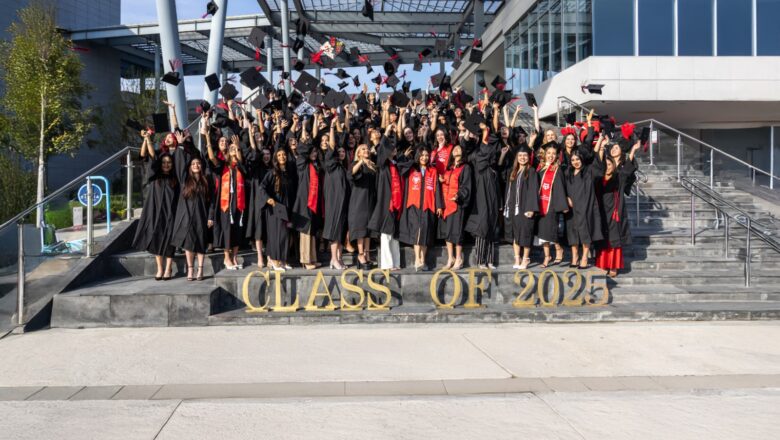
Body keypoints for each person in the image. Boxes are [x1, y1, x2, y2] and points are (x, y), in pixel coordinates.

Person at [132, 129, 178, 280]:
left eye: (169, 163)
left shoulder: (174, 179)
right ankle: (160, 269)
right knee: (157, 238)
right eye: (164, 163)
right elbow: (152, 156)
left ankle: (169, 268)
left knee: (170, 240)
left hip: (170, 213)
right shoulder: (155, 177)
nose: (166, 165)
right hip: (155, 211)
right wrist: (147, 139)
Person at [595, 137, 640, 277]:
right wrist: (602, 145)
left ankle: (613, 265)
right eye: (612, 147)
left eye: (617, 148)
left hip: (615, 208)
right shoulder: (601, 171)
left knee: (614, 237)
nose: (608, 166)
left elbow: (627, 170)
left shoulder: (620, 174)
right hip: (602, 208)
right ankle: (603, 263)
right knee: (603, 235)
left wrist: (632, 151)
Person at [368, 125, 411, 270]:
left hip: (397, 203)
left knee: (395, 235)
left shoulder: (397, 164)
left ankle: (396, 263)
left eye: (394, 148)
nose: (393, 150)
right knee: (386, 234)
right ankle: (387, 264)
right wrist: (385, 134)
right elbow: (381, 151)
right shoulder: (383, 164)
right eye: (390, 148)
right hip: (387, 202)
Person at [399, 146, 444, 272]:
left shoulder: (433, 171)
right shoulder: (412, 169)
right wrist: (408, 158)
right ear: (418, 156)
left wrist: (439, 205)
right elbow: (400, 167)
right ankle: (417, 259)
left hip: (428, 205)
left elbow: (436, 189)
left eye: (426, 155)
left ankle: (422, 259)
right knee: (416, 232)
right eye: (422, 155)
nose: (424, 157)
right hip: (414, 205)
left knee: (425, 233)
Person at [207, 131, 247, 270]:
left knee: (237, 229)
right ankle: (226, 258)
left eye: (234, 149)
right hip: (225, 204)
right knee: (227, 229)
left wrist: (238, 148)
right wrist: (207, 136)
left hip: (238, 202)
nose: (233, 151)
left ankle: (235, 257)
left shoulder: (241, 167)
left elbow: (242, 163)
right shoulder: (223, 166)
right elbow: (212, 157)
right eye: (231, 149)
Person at [170, 150, 213, 281]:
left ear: (201, 166)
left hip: (201, 216)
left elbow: (211, 201)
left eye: (198, 163)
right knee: (189, 245)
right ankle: (190, 269)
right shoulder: (185, 180)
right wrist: (181, 146)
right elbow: (179, 164)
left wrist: (210, 217)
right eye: (193, 163)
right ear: (189, 166)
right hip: (187, 217)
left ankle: (200, 270)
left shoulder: (206, 181)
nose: (196, 165)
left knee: (200, 243)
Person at [465, 123, 502, 269]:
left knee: (491, 225)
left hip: (492, 200)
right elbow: (481, 151)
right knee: (482, 227)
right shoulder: (479, 168)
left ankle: (490, 260)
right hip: (481, 198)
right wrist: (484, 132)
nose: (489, 156)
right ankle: (481, 260)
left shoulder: (493, 172)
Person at [563, 148, 603, 269]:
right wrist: (566, 198)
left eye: (578, 159)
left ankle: (584, 257)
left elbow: (599, 164)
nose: (576, 162)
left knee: (585, 231)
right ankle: (575, 257)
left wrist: (600, 146)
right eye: (573, 160)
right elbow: (562, 188)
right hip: (571, 208)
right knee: (572, 232)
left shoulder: (589, 171)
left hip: (586, 206)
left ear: (582, 159)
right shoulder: (567, 173)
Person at [503, 145, 539, 270]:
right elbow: (508, 190)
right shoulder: (513, 172)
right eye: (520, 155)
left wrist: (531, 209)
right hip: (514, 208)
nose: (522, 158)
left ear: (528, 157)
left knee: (525, 233)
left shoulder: (531, 171)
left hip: (525, 208)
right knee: (515, 234)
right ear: (516, 158)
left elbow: (533, 190)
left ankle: (526, 258)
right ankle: (517, 257)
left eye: (525, 155)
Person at [322, 118, 351, 269]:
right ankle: (333, 258)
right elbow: (332, 146)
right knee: (335, 230)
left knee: (341, 230)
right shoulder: (331, 164)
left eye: (343, 152)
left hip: (343, 203)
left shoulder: (344, 168)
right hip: (334, 203)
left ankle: (338, 258)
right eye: (338, 152)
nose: (341, 153)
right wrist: (332, 127)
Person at [259, 148, 294, 271]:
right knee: (275, 235)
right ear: (276, 158)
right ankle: (274, 261)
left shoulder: (288, 172)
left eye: (284, 154)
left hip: (285, 208)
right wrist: (268, 199)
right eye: (279, 155)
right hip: (274, 208)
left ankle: (282, 260)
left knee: (284, 235)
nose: (282, 157)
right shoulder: (273, 172)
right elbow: (262, 187)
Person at [291, 134, 323, 270]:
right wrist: (308, 141)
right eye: (312, 152)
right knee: (305, 230)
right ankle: (305, 259)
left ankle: (312, 258)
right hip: (304, 201)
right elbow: (302, 151)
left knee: (312, 230)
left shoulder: (314, 166)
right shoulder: (302, 163)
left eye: (316, 151)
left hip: (313, 202)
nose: (314, 154)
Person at [535, 142, 569, 267]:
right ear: (544, 154)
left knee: (549, 230)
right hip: (539, 203)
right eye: (549, 153)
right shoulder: (540, 167)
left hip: (550, 205)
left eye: (553, 154)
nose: (551, 155)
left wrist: (561, 205)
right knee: (542, 232)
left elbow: (560, 188)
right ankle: (548, 255)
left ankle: (555, 250)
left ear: (556, 156)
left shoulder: (557, 170)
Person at [439, 144, 472, 270]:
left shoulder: (465, 167)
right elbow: (447, 183)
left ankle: (459, 258)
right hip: (446, 204)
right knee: (448, 233)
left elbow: (466, 185)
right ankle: (450, 258)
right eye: (454, 149)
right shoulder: (449, 168)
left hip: (457, 204)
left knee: (457, 232)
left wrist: (459, 195)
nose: (456, 150)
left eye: (459, 148)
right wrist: (442, 180)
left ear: (462, 152)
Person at [348, 143, 377, 269]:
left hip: (370, 200)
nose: (366, 150)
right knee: (361, 228)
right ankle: (360, 255)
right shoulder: (356, 164)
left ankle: (367, 255)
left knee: (368, 229)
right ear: (358, 153)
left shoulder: (372, 165)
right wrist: (361, 161)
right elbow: (351, 174)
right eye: (363, 149)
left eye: (367, 149)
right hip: (359, 201)